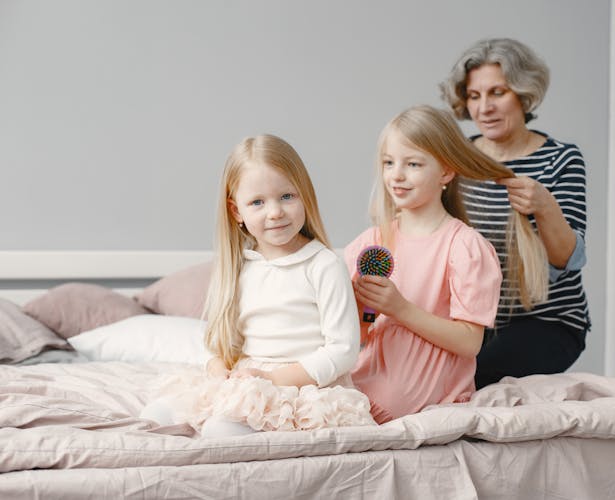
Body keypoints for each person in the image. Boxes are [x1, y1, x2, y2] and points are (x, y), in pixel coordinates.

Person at [140, 134, 375, 436]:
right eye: (257, 202)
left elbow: (343, 351)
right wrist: (216, 367)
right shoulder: (240, 267)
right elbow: (217, 341)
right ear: (237, 212)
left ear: (305, 195)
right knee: (156, 416)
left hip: (299, 387)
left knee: (220, 431)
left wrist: (272, 378)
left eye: (287, 196)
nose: (274, 212)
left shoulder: (323, 265)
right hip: (247, 380)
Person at [345, 105, 548, 423]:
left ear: (446, 172)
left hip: (425, 393)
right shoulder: (371, 242)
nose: (396, 175)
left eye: (412, 164)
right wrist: (363, 310)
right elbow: (360, 331)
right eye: (389, 163)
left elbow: (469, 342)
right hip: (366, 382)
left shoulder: (465, 247)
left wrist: (400, 308)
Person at [440, 38, 591, 389]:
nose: (484, 108)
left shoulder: (561, 159)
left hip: (548, 321)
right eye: (474, 96)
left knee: (472, 380)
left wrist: (545, 206)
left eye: (497, 93)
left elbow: (566, 258)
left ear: (523, 95)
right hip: (474, 320)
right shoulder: (458, 159)